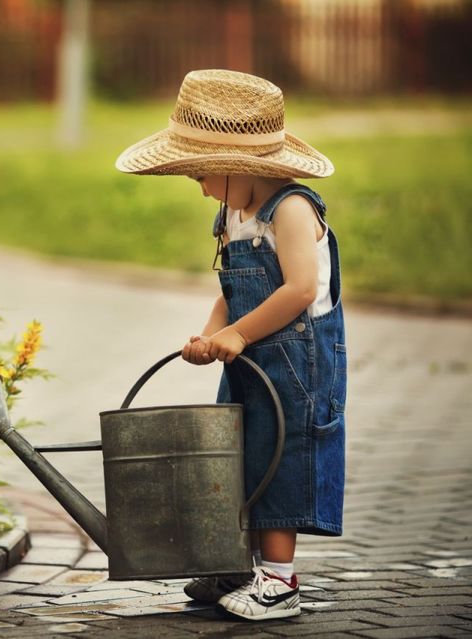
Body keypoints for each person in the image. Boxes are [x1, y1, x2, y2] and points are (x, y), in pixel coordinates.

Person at [115, 69, 347, 621]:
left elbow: (300, 289)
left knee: (280, 457)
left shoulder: (290, 210)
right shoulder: (233, 212)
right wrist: (214, 333)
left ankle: (280, 583)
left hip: (298, 362)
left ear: (242, 165)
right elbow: (231, 291)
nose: (198, 186)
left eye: (202, 173)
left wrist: (239, 333)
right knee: (235, 453)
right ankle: (234, 564)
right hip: (251, 356)